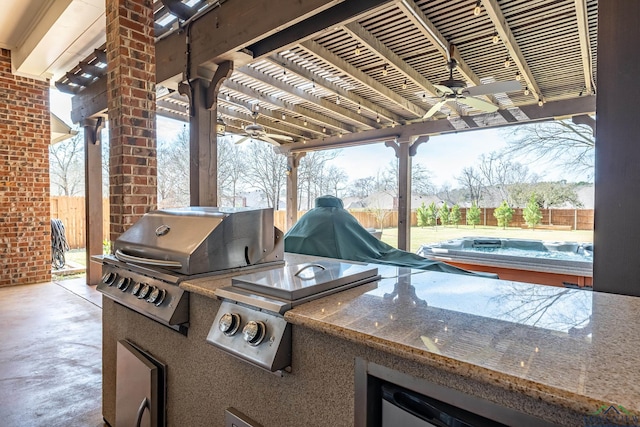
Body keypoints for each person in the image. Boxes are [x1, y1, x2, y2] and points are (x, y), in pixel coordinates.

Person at [284, 195, 497, 277]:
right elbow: (363, 242)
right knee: (406, 259)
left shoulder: (310, 218)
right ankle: (480, 275)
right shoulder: (339, 217)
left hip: (310, 271)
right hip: (327, 268)